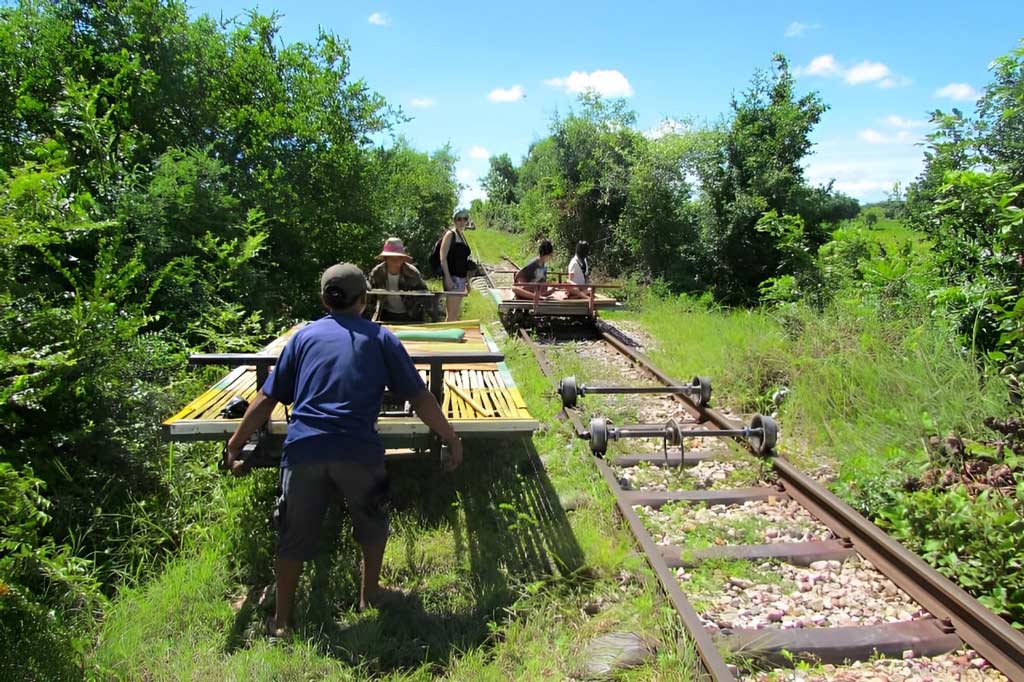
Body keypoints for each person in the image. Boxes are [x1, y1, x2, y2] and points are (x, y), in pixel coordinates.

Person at [225, 263, 464, 638]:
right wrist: (450, 437)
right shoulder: (381, 338)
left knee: (292, 533)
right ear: (365, 300)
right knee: (372, 520)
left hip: (304, 448)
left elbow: (267, 397)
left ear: (324, 299)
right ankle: (370, 594)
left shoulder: (302, 339)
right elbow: (419, 396)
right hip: (358, 450)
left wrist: (235, 443)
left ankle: (283, 621)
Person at [367, 237, 430, 322]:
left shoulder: (413, 273)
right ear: (385, 258)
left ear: (403, 259)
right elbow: (370, 299)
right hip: (385, 315)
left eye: (399, 258)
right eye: (392, 258)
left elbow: (425, 296)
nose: (395, 261)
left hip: (410, 316)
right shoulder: (376, 273)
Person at [439, 208, 473, 321]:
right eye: (459, 219)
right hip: (453, 278)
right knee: (451, 315)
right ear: (454, 220)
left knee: (454, 314)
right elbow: (442, 258)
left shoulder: (461, 235)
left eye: (465, 219)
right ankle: (448, 337)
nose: (462, 222)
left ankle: (450, 335)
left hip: (461, 279)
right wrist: (448, 278)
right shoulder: (450, 234)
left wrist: (467, 281)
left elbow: (464, 261)